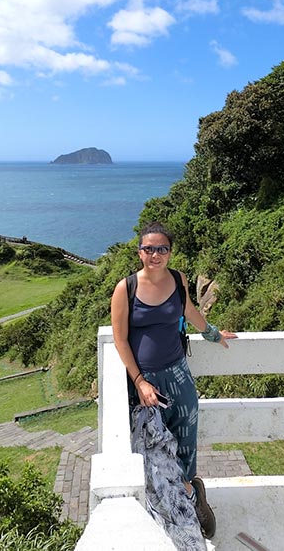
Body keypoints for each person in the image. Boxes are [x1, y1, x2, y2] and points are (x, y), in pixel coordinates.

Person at [110, 221, 237, 540]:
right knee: (155, 450)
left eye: (162, 249)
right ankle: (187, 499)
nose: (155, 254)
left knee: (185, 439)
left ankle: (191, 498)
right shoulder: (126, 289)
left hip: (179, 373)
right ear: (140, 252)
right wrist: (139, 381)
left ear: (170, 252)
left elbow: (190, 311)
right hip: (147, 381)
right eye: (149, 249)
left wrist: (211, 334)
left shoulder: (178, 280)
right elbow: (121, 340)